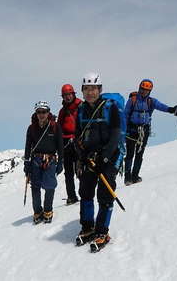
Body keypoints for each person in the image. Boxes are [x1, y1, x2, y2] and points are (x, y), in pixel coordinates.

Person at [74, 72, 121, 249]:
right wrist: (82, 154)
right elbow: (77, 135)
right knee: (85, 191)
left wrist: (105, 157)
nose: (90, 92)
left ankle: (102, 231)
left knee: (105, 193)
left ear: (99, 89)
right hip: (90, 157)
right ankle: (87, 227)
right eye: (86, 89)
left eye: (93, 88)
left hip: (109, 156)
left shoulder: (110, 107)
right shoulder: (81, 110)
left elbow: (116, 134)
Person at [124, 79, 177, 185]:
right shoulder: (132, 100)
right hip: (131, 130)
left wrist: (172, 109)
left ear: (149, 91)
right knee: (130, 154)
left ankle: (134, 176)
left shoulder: (151, 101)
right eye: (142, 89)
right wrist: (124, 130)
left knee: (139, 154)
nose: (144, 92)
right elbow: (125, 115)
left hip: (144, 131)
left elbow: (162, 107)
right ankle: (128, 178)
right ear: (139, 88)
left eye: (146, 90)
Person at [24, 101, 64, 224]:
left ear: (48, 113)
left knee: (49, 185)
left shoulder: (55, 127)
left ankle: (47, 210)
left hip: (50, 160)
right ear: (36, 113)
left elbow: (60, 146)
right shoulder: (31, 128)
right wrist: (27, 162)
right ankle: (37, 211)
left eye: (44, 112)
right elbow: (28, 146)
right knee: (35, 186)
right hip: (35, 160)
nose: (42, 114)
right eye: (39, 112)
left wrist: (60, 162)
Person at [57, 84, 82, 205]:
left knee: (81, 169)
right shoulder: (62, 111)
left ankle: (84, 193)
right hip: (67, 143)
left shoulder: (81, 106)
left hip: (79, 141)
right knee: (68, 172)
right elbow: (59, 129)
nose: (67, 97)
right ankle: (71, 196)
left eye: (69, 94)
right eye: (65, 95)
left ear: (73, 94)